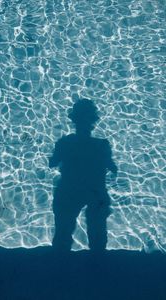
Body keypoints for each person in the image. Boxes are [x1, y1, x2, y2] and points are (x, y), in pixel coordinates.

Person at [49, 99, 117, 251]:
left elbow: (52, 163)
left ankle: (59, 267)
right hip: (95, 191)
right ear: (94, 119)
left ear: (73, 119)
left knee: (62, 234)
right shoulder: (102, 145)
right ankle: (98, 266)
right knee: (98, 236)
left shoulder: (64, 142)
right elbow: (113, 168)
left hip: (69, 189)